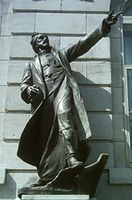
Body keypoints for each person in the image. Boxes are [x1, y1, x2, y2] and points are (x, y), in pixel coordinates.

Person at [17, 10, 121, 187]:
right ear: (35, 45)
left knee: (66, 119)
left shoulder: (61, 55)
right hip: (44, 102)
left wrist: (103, 27)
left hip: (62, 92)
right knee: (45, 139)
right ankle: (47, 174)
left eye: (44, 36)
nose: (44, 38)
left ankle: (72, 157)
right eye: (39, 38)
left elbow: (82, 44)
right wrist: (28, 90)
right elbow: (24, 84)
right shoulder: (31, 64)